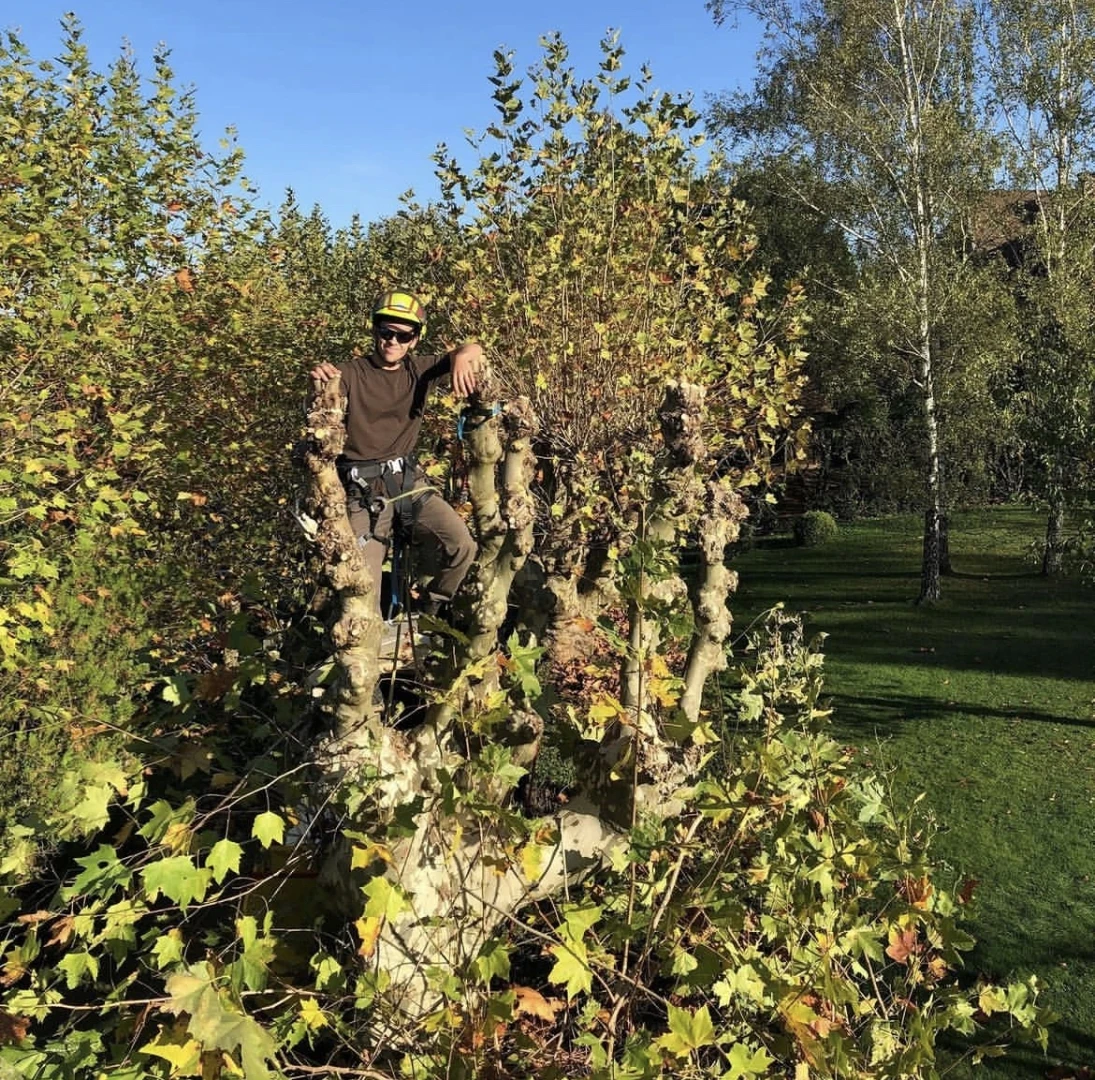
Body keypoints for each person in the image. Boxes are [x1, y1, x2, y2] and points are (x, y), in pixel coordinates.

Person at [309, 289, 481, 619]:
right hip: (363, 492)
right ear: (375, 331)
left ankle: (429, 611)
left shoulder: (419, 370)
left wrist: (460, 357)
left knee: (463, 546)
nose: (393, 341)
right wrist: (319, 385)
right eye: (386, 332)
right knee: (362, 579)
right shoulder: (350, 374)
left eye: (404, 336)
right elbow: (323, 405)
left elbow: (473, 348)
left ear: (415, 339)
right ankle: (362, 646)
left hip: (409, 483)